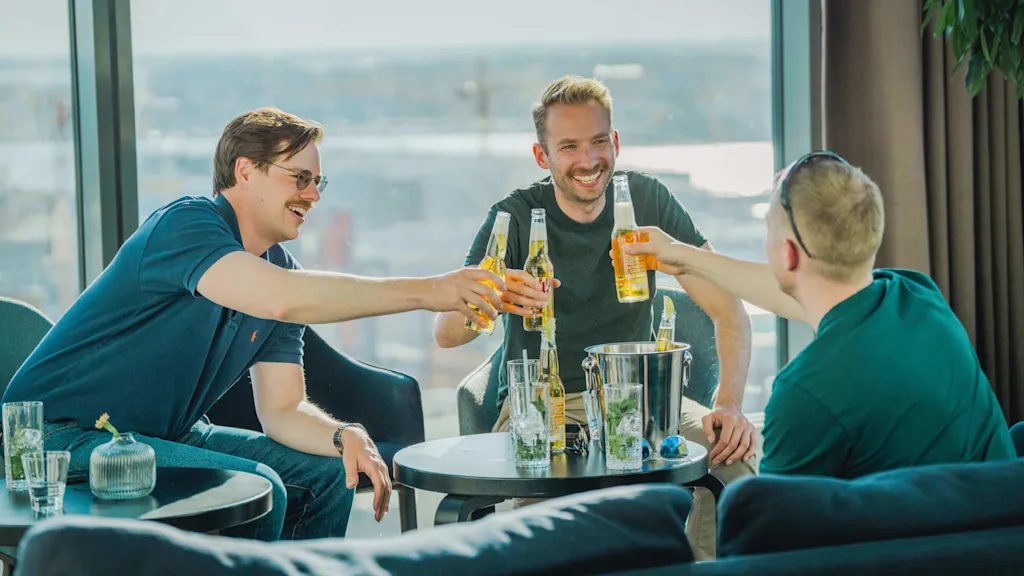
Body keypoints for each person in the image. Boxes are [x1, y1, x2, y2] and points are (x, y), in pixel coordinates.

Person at [3, 107, 505, 541]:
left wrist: (342, 434)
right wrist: (429, 291)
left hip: (166, 435)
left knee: (327, 475)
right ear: (246, 172)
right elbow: (282, 301)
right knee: (256, 483)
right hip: (57, 440)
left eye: (318, 181)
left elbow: (282, 410)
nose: (313, 195)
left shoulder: (280, 269)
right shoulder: (186, 225)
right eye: (299, 178)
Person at [432, 75, 756, 559]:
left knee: (736, 465)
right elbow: (447, 334)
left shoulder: (647, 201)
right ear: (543, 156)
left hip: (644, 407)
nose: (588, 161)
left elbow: (729, 309)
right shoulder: (516, 218)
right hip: (544, 408)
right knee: (546, 534)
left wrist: (728, 402)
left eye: (598, 142)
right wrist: (496, 296)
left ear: (615, 143)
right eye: (569, 147)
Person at [624, 150, 1016, 478]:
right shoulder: (918, 295)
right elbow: (800, 293)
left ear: (788, 253)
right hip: (998, 527)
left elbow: (770, 541)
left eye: (769, 230)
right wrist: (683, 256)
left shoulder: (806, 392)